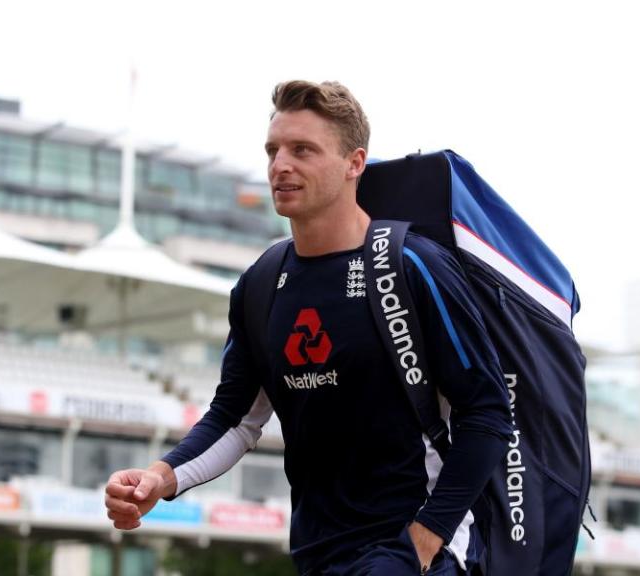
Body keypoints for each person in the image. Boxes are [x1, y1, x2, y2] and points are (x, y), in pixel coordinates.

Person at [105, 80, 512, 575]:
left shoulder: (413, 266)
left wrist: (425, 543)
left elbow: (488, 412)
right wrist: (159, 477)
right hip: (317, 554)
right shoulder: (260, 283)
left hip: (415, 556)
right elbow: (235, 419)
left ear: (354, 163)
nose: (280, 165)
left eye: (302, 150)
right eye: (273, 150)